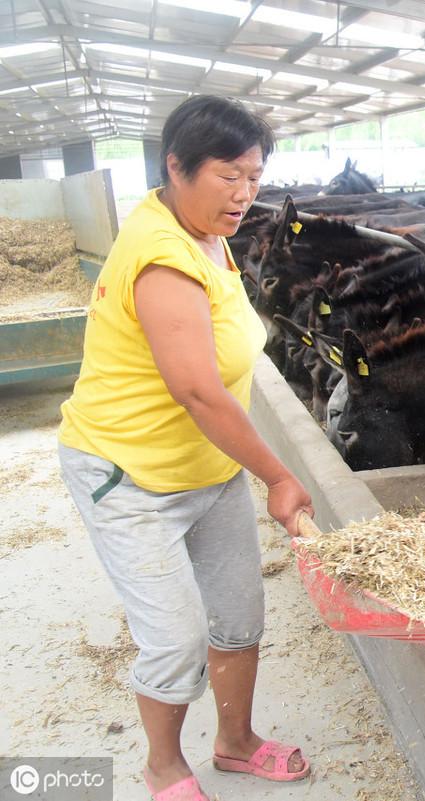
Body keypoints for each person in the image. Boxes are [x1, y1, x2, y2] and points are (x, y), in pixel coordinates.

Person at [58, 95, 314, 801]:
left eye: (255, 177)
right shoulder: (161, 253)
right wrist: (280, 474)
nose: (244, 194)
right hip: (128, 471)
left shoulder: (206, 230)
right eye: (228, 174)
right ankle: (163, 766)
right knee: (174, 637)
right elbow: (198, 390)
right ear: (176, 165)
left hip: (205, 466)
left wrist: (245, 466)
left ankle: (235, 743)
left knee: (238, 614)